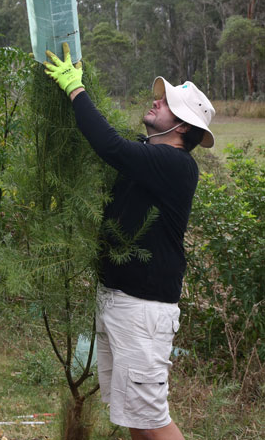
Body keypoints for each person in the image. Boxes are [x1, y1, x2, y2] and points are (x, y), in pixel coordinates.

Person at [44, 43, 215, 440]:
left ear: (183, 127)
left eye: (166, 102)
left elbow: (109, 147)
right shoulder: (147, 152)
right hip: (119, 300)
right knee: (135, 418)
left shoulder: (176, 165)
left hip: (143, 310)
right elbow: (112, 143)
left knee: (154, 421)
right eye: (159, 96)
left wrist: (76, 89)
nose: (156, 102)